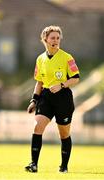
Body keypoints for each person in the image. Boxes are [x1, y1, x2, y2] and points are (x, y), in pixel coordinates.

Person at [25, 25, 79, 173]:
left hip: (63, 98)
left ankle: (64, 167)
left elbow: (75, 78)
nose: (56, 40)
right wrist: (34, 100)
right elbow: (39, 82)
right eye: (52, 38)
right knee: (37, 127)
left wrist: (62, 85)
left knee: (64, 133)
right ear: (45, 40)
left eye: (57, 38)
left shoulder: (67, 57)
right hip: (46, 97)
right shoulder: (40, 59)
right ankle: (33, 164)